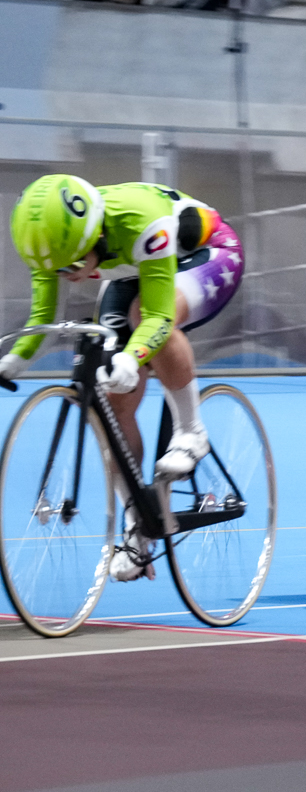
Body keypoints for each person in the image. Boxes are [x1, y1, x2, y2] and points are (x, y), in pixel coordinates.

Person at [4, 177, 244, 579]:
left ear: (95, 234)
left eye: (74, 264)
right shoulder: (48, 243)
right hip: (132, 270)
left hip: (205, 252)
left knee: (142, 319)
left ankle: (191, 430)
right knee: (113, 402)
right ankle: (140, 525)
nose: (68, 275)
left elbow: (159, 317)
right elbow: (42, 319)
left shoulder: (141, 221)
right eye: (56, 270)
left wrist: (134, 357)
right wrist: (13, 361)